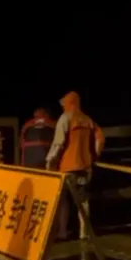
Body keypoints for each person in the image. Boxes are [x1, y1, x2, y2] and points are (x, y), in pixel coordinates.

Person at [46, 91, 104, 240]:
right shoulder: (88, 120)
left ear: (69, 103)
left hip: (67, 167)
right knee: (83, 201)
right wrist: (94, 156)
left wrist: (50, 161)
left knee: (62, 199)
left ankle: (62, 231)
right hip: (85, 167)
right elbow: (100, 139)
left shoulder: (65, 118)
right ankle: (84, 233)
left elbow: (58, 143)